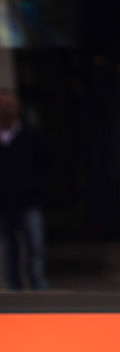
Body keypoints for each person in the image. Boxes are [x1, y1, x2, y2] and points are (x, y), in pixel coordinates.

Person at [0, 89, 51, 290]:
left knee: (35, 246)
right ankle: (13, 287)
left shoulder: (32, 136)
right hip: (3, 204)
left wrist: (36, 189)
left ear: (19, 108)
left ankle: (39, 286)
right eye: (3, 105)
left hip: (30, 202)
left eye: (10, 104)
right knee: (9, 247)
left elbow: (47, 167)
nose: (6, 108)